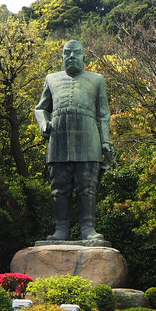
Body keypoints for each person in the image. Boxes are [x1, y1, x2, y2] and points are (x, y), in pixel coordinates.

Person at [34, 39, 115, 242]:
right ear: (62, 57)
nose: (71, 56)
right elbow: (41, 108)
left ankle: (88, 228)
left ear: (83, 57)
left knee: (87, 186)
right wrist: (43, 123)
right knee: (59, 188)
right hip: (59, 137)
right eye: (67, 53)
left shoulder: (97, 79)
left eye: (76, 53)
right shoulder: (51, 79)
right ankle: (60, 229)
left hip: (89, 137)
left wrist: (105, 140)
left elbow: (104, 114)